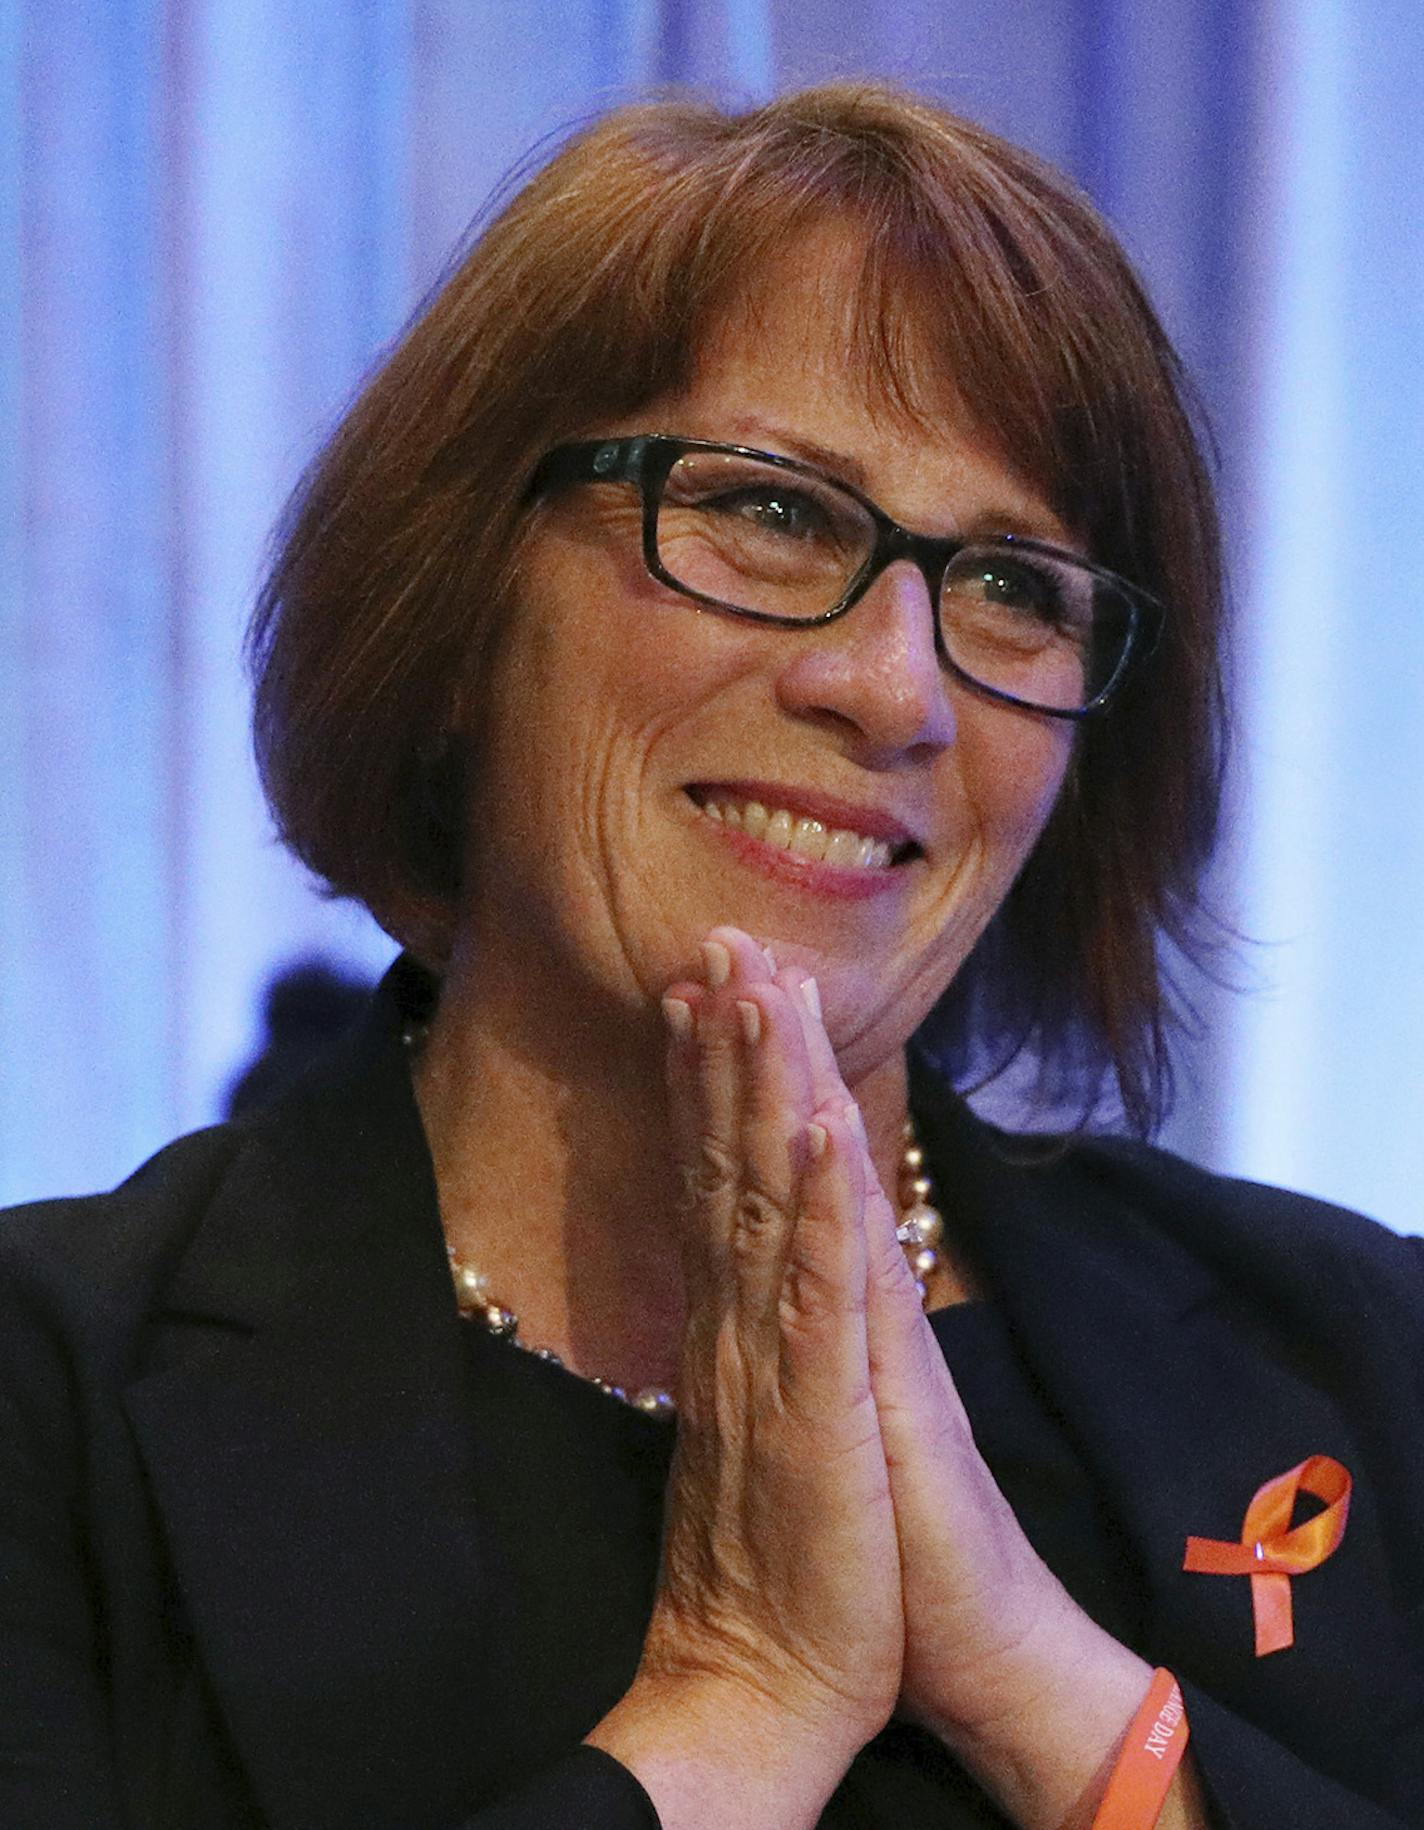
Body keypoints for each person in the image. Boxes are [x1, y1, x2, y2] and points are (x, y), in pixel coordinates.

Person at [2, 81, 1420, 1830]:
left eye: (1013, 588)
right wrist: (734, 1714)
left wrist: (1059, 1704)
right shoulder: (47, 1402)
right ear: (457, 604)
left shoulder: (1365, 1360)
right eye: (770, 511)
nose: (895, 687)